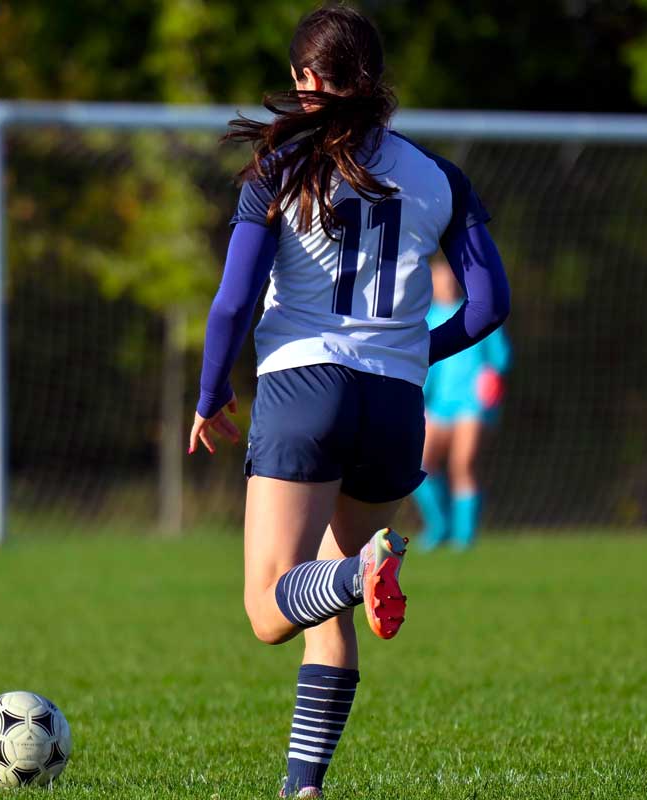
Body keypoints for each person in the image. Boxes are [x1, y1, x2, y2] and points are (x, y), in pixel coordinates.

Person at [186, 7, 510, 798]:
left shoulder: (282, 165)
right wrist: (413, 354)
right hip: (396, 409)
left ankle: (362, 567)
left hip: (305, 389)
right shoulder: (438, 176)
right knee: (328, 610)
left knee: (272, 608)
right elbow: (490, 301)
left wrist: (210, 392)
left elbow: (233, 303)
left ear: (305, 80)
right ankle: (305, 788)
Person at [413, 255, 511, 551]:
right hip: (438, 405)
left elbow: (500, 357)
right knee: (420, 466)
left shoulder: (476, 312)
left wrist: (491, 378)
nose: (446, 282)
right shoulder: (425, 318)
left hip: (472, 405)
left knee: (462, 464)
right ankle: (438, 526)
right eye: (440, 276)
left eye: (450, 276)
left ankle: (464, 536)